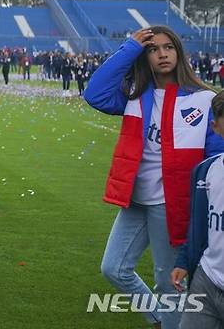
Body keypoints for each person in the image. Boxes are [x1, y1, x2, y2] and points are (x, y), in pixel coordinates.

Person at [84, 26, 224, 329]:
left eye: (168, 47)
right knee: (114, 268)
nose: (162, 54)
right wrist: (130, 47)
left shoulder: (203, 99)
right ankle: (161, 318)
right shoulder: (134, 94)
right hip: (135, 199)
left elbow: (216, 158)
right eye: (153, 49)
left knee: (167, 282)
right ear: (144, 57)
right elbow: (94, 94)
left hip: (171, 203)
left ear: (179, 53)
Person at [171, 90, 224, 328]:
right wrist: (183, 260)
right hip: (207, 279)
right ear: (215, 127)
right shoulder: (205, 171)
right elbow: (199, 223)